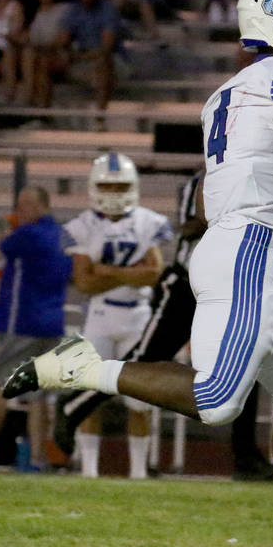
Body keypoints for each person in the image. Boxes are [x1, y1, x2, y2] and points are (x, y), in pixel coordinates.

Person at [4, 0, 273, 547]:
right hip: (249, 249)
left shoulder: (228, 93)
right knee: (218, 399)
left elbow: (242, 182)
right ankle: (85, 370)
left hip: (242, 246)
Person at [43, 173, 273, 481]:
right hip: (188, 285)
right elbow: (190, 225)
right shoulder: (207, 177)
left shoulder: (256, 174)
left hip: (235, 286)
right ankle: (75, 404)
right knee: (145, 359)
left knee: (247, 363)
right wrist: (236, 217)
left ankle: (245, 458)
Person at [62, 153, 173, 479]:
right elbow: (84, 281)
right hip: (100, 316)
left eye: (120, 185)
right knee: (89, 394)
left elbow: (154, 273)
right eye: (107, 185)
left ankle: (138, 472)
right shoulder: (82, 226)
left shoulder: (149, 222)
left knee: (140, 400)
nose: (113, 192)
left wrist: (107, 271)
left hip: (139, 317)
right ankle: (89, 471)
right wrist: (129, 273)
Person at [0, 186, 73, 472]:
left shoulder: (27, 235)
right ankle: (37, 459)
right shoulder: (65, 235)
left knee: (1, 387)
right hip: (52, 322)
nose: (19, 212)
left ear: (42, 206)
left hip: (22, 321)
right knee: (39, 395)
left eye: (24, 206)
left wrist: (9, 232)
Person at [56, 0, 124, 112]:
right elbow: (63, 41)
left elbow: (106, 48)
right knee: (45, 61)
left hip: (114, 60)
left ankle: (100, 117)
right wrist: (65, 52)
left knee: (103, 63)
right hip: (83, 58)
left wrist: (80, 57)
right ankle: (40, 115)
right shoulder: (74, 9)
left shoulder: (108, 9)